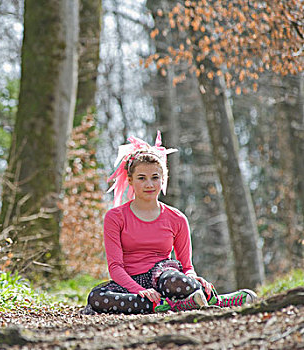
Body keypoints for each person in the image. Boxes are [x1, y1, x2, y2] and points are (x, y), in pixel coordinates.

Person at [85, 131, 257, 314]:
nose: (149, 184)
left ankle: (215, 299)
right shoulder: (115, 217)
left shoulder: (177, 218)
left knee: (178, 281)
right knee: (97, 297)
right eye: (141, 178)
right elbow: (115, 268)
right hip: (131, 285)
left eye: (155, 177)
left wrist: (193, 278)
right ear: (130, 180)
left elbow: (187, 266)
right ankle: (168, 305)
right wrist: (140, 291)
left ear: (163, 178)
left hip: (164, 277)